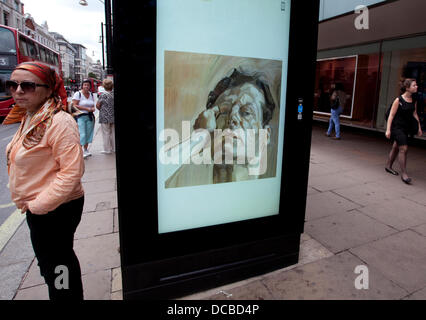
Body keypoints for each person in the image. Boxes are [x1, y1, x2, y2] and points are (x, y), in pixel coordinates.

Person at [4, 62, 85, 300]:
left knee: (58, 265)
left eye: (27, 86)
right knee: (53, 263)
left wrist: (38, 206)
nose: (18, 91)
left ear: (48, 89)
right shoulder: (33, 117)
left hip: (55, 208)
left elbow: (71, 172)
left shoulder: (59, 122)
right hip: (43, 207)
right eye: (12, 85)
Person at [385, 78, 423, 184]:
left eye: (416, 85)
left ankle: (388, 166)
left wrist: (419, 127)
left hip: (406, 128)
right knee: (404, 148)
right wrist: (388, 130)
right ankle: (404, 174)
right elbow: (391, 115)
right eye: (414, 85)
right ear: (407, 88)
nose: (417, 87)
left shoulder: (413, 100)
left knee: (396, 146)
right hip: (397, 127)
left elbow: (414, 114)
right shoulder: (398, 100)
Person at [72, 79, 96, 158]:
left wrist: (92, 108)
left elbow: (92, 104)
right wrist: (86, 109)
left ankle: (86, 150)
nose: (86, 86)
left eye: (88, 85)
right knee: (82, 134)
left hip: (90, 116)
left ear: (90, 86)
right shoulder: (78, 94)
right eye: (85, 85)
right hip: (80, 116)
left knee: (89, 133)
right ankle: (80, 151)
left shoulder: (91, 94)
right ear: (82, 86)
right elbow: (74, 105)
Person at [96, 79, 115, 154]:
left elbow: (98, 105)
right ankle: (114, 148)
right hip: (113, 116)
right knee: (113, 133)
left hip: (105, 117)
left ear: (104, 86)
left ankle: (107, 149)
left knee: (106, 133)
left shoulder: (103, 95)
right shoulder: (114, 94)